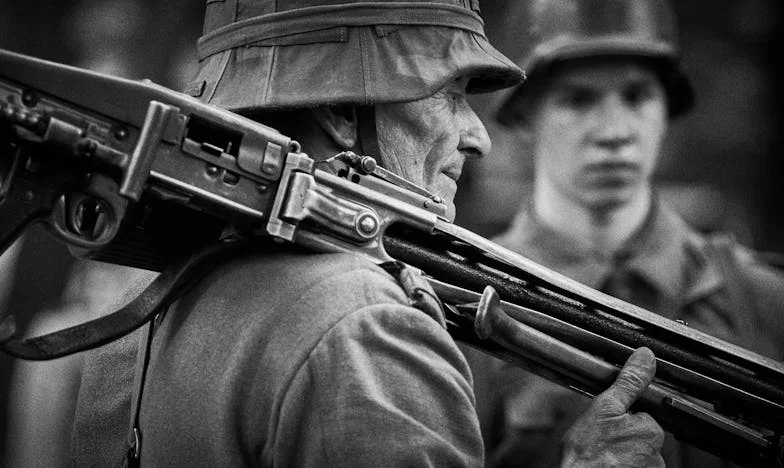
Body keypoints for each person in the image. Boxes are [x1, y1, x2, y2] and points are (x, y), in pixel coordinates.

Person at [70, 0, 667, 466]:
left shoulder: (136, 317)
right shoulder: (368, 323)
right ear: (339, 113)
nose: (477, 136)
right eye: (452, 95)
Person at [468, 0, 784, 466]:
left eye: (637, 96)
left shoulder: (763, 302)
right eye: (578, 99)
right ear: (522, 118)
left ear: (666, 111)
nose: (615, 132)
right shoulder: (467, 307)